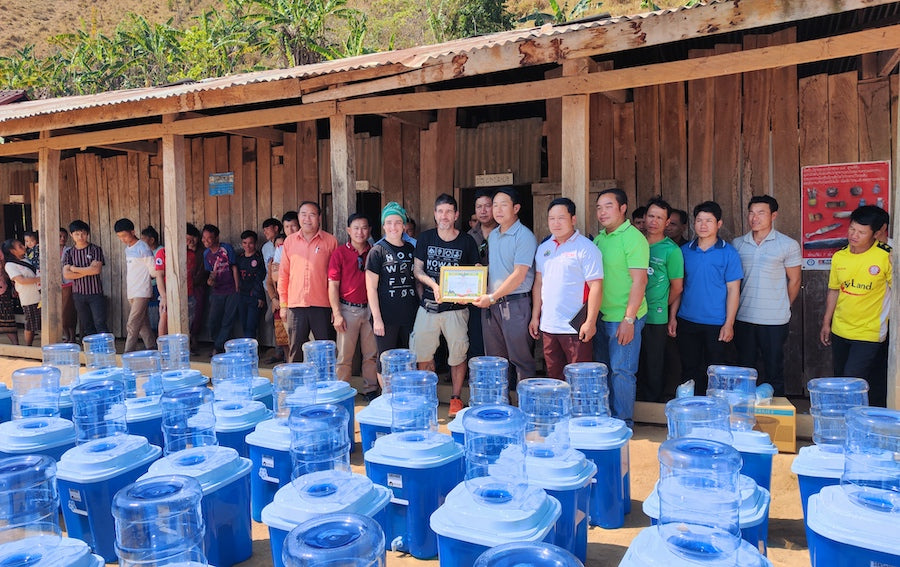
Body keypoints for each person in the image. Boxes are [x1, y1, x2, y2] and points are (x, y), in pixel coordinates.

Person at [412, 193, 480, 417]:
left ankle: (456, 398)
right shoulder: (425, 238)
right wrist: (433, 284)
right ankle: (426, 397)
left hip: (457, 310)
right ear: (434, 214)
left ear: (456, 214)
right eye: (440, 211)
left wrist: (469, 295)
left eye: (449, 211)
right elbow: (418, 270)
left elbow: (475, 272)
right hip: (428, 307)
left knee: (458, 354)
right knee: (423, 353)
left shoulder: (467, 241)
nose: (444, 216)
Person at [820, 205, 892, 407]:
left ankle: (855, 422)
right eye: (852, 229)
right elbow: (834, 290)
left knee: (852, 381)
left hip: (869, 332)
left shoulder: (887, 256)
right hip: (840, 329)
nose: (854, 235)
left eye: (861, 232)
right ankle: (844, 423)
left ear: (876, 233)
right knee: (841, 378)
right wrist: (827, 322)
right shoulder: (840, 256)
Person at [732, 195, 801, 397]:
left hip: (775, 319)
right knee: (744, 370)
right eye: (752, 213)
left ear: (774, 215)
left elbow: (795, 281)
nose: (755, 218)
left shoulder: (787, 244)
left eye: (761, 213)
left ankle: (777, 414)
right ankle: (744, 412)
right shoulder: (738, 244)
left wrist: (782, 306)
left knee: (774, 369)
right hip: (743, 317)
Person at [670, 201, 743, 393]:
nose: (703, 225)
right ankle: (691, 413)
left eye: (709, 221)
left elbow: (734, 290)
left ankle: (713, 414)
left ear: (719, 224)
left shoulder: (729, 253)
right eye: (699, 220)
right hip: (687, 320)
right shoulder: (684, 252)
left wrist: (729, 323)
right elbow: (679, 287)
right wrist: (673, 317)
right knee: (689, 370)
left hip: (717, 323)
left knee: (715, 372)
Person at [592, 188, 649, 426]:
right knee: (603, 371)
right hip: (601, 316)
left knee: (621, 371)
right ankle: (606, 420)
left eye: (608, 206)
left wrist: (629, 320)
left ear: (623, 208)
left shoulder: (633, 238)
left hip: (624, 317)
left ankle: (623, 422)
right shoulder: (599, 239)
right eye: (598, 207)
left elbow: (640, 280)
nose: (602, 212)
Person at [529, 198, 603, 379]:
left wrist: (590, 322)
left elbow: (596, 286)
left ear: (573, 219)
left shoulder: (586, 248)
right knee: (555, 379)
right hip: (549, 326)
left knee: (580, 380)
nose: (556, 223)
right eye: (551, 218)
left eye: (561, 218)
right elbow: (539, 283)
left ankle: (580, 409)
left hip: (575, 327)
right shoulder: (544, 248)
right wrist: (535, 317)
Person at [472, 187, 537, 386]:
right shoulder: (493, 235)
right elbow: (499, 268)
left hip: (515, 304)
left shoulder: (524, 236)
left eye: (504, 205)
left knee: (521, 360)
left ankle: (526, 407)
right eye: (495, 205)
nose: (497, 210)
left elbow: (519, 274)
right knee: (495, 361)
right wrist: (479, 273)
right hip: (492, 307)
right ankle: (501, 408)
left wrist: (492, 297)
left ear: (516, 208)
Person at [366, 202, 419, 389]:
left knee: (408, 357)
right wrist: (377, 319)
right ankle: (388, 396)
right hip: (386, 316)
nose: (393, 227)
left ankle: (406, 394)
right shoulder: (377, 252)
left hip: (409, 314)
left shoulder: (412, 250)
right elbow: (371, 288)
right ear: (383, 226)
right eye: (389, 222)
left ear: (404, 225)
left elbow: (418, 281)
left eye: (397, 222)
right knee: (385, 359)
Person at [278, 201, 338, 362]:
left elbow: (336, 277)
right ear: (298, 217)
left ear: (319, 217)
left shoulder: (330, 241)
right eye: (303, 214)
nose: (307, 219)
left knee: (325, 352)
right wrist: (283, 305)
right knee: (296, 351)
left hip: (323, 305)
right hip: (296, 306)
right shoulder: (290, 241)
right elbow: (283, 274)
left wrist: (335, 308)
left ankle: (326, 386)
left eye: (312, 214)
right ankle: (296, 386)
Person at [329, 213, 379, 400]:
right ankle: (342, 391)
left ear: (370, 230)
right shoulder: (339, 253)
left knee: (371, 354)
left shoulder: (374, 251)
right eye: (356, 228)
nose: (360, 232)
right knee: (344, 356)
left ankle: (371, 389)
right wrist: (337, 313)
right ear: (349, 230)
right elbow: (332, 285)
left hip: (370, 310)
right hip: (347, 309)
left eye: (364, 227)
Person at [639, 197, 684, 402]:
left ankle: (651, 405)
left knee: (654, 363)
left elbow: (677, 287)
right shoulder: (635, 242)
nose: (653, 221)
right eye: (651, 216)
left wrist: (660, 305)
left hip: (656, 316)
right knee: (634, 361)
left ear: (667, 223)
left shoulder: (671, 250)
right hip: (629, 313)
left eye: (659, 218)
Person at [115, 218, 156, 352]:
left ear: (133, 232)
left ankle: (128, 352)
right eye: (120, 237)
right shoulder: (128, 249)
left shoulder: (143, 247)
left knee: (132, 324)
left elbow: (153, 270)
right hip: (132, 291)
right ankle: (152, 348)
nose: (123, 239)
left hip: (142, 291)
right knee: (143, 323)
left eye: (125, 235)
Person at [154, 223, 202, 338]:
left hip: (188, 295)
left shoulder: (191, 255)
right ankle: (162, 350)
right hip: (168, 294)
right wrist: (164, 296)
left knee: (186, 323)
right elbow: (159, 276)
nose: (187, 242)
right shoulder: (163, 253)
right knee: (164, 318)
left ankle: (183, 350)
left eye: (190, 240)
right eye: (186, 239)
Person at [467, 188, 497, 359]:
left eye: (488, 206)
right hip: (475, 297)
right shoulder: (468, 236)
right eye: (479, 207)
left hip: (500, 295)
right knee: (476, 338)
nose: (483, 211)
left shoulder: (504, 232)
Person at [63, 220, 108, 335]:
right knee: (86, 324)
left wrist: (75, 269)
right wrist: (88, 270)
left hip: (95, 293)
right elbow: (66, 274)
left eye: (83, 233)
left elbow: (96, 270)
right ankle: (92, 351)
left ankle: (104, 349)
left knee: (100, 323)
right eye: (77, 234)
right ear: (72, 235)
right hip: (78, 294)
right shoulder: (69, 253)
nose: (80, 236)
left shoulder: (95, 249)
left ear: (87, 234)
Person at [266, 211, 299, 364]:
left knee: (300, 338)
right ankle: (289, 362)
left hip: (299, 300)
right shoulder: (279, 253)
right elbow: (273, 278)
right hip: (282, 301)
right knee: (284, 337)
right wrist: (274, 299)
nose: (291, 229)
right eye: (287, 226)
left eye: (293, 226)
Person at [202, 224, 239, 355]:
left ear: (216, 238)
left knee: (228, 320)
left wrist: (237, 288)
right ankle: (219, 344)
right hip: (217, 291)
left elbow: (234, 267)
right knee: (213, 321)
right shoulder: (206, 253)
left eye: (209, 238)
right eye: (204, 238)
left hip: (231, 290)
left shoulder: (226, 248)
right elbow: (211, 273)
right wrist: (210, 280)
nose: (206, 240)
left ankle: (218, 347)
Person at [4, 239, 40, 346]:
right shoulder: (10, 265)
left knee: (43, 322)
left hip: (40, 295)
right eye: (20, 246)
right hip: (29, 298)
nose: (24, 246)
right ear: (12, 251)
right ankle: (28, 347)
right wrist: (41, 279)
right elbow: (21, 280)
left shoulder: (27, 260)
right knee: (30, 324)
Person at [236, 230, 267, 338]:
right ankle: (247, 349)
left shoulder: (259, 258)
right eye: (244, 243)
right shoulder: (239, 258)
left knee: (251, 326)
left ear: (255, 243)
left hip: (254, 296)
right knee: (244, 324)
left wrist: (260, 297)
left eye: (250, 243)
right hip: (241, 295)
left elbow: (261, 279)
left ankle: (251, 352)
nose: (247, 246)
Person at [141, 226, 163, 334]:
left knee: (159, 313)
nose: (142, 242)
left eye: (144, 239)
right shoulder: (147, 252)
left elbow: (159, 271)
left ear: (152, 240)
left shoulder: (160, 251)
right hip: (149, 286)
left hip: (158, 286)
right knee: (152, 313)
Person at [59, 228, 77, 342]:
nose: (63, 238)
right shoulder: (49, 250)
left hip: (69, 283)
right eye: (60, 236)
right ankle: (66, 335)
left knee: (69, 311)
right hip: (56, 285)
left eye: (65, 236)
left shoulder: (70, 250)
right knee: (60, 313)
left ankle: (72, 336)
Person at [0, 253, 18, 345]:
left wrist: (14, 286)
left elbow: (5, 269)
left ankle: (16, 345)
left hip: (3, 289)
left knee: (7, 318)